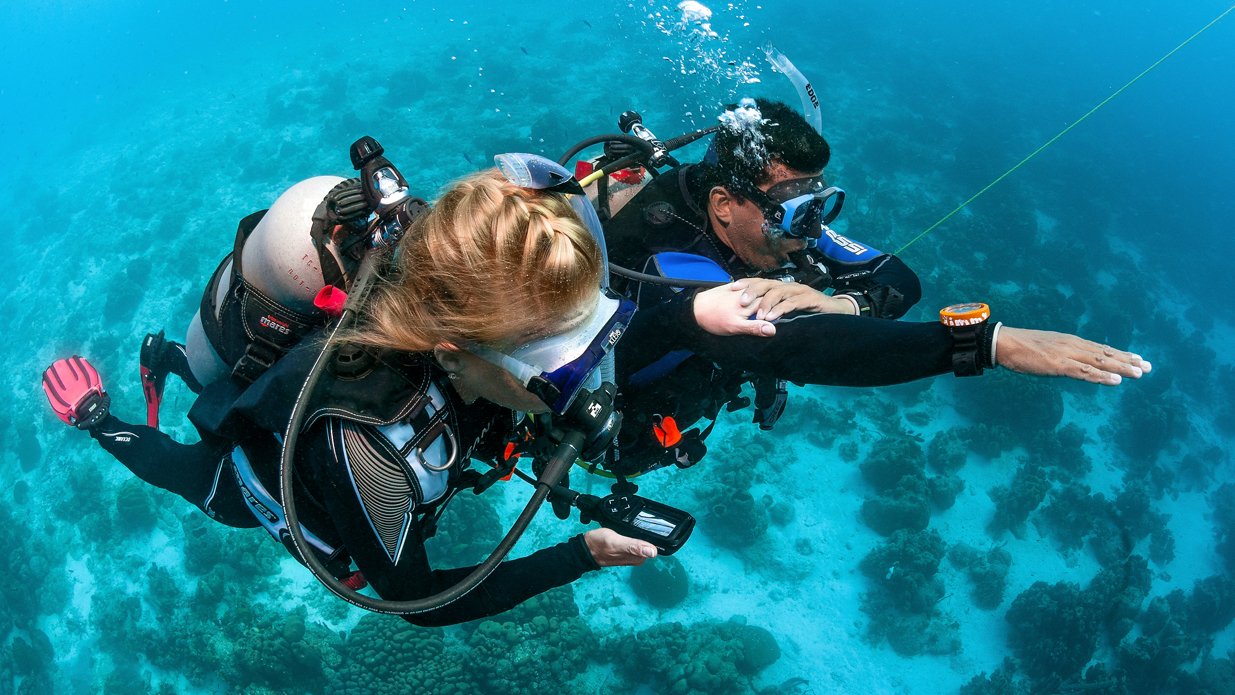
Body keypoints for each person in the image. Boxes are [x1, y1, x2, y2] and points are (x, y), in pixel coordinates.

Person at [41, 162, 657, 626]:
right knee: (193, 479)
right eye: (560, 370)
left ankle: (179, 360)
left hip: (345, 388)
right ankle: (98, 418)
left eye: (594, 338)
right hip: (257, 482)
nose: (584, 379)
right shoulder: (362, 446)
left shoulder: (463, 307)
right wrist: (583, 556)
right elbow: (419, 603)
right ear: (453, 355)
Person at [598, 98, 1151, 475]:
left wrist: (844, 300)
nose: (811, 231)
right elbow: (794, 347)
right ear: (723, 204)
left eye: (818, 207)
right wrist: (984, 344)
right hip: (616, 414)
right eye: (795, 213)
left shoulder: (770, 218)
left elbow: (897, 277)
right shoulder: (671, 258)